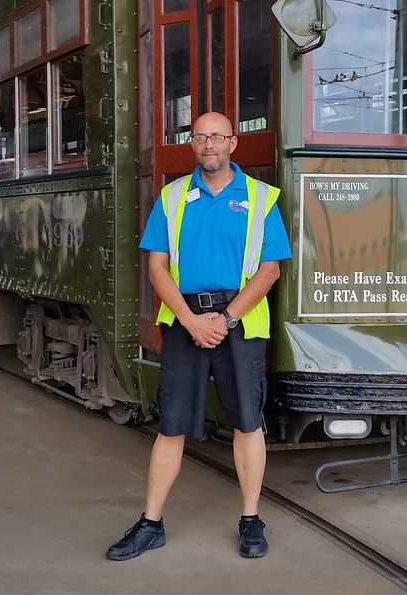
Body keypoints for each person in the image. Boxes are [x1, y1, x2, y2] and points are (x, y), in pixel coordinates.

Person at [107, 112, 291, 561]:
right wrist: (191, 320)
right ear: (193, 144)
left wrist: (224, 319)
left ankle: (251, 520)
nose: (209, 144)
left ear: (233, 143)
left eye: (217, 137)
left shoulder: (261, 198)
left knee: (248, 423)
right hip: (184, 323)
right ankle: (151, 523)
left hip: (241, 324)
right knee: (171, 426)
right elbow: (156, 268)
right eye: (200, 137)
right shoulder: (171, 198)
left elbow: (271, 271)